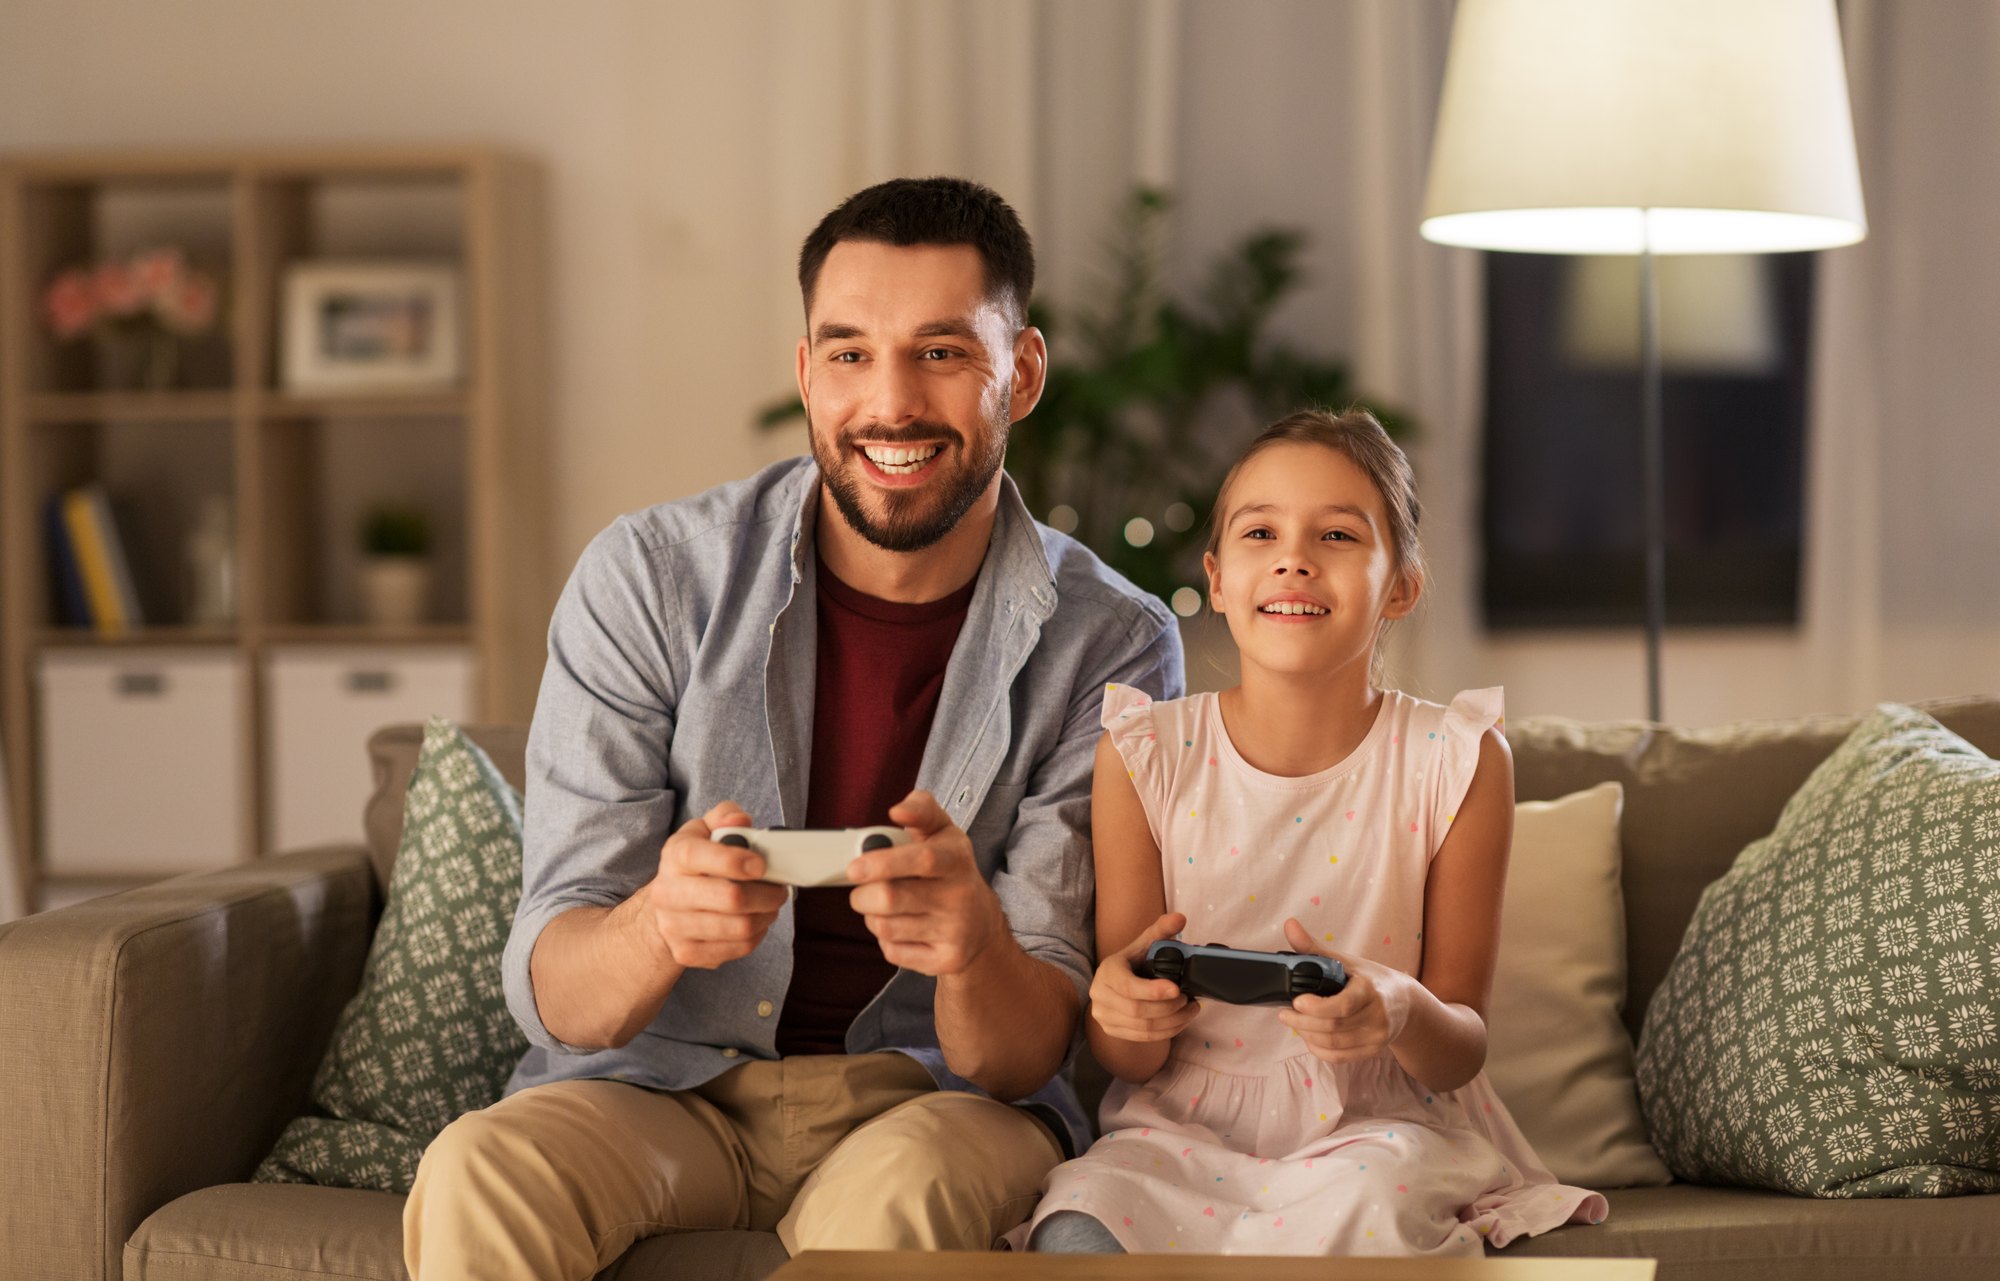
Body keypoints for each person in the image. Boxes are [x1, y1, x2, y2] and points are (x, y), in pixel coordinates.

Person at [402, 176, 1184, 1278]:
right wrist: (657, 926)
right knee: (480, 1169)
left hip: (932, 1097)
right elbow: (560, 988)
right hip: (657, 1087)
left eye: (943, 352)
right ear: (806, 370)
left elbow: (1021, 1053)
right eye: (850, 353)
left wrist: (971, 949)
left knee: (907, 1199)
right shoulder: (650, 577)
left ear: (1024, 373)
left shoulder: (1115, 641)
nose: (891, 403)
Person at [1017, 408, 1607, 1256]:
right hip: (1176, 1136)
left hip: (1378, 1130)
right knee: (1078, 1220)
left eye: (1336, 533)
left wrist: (1400, 1009)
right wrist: (1121, 1008)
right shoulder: (1143, 755)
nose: (1294, 557)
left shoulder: (1460, 759)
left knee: (1376, 1199)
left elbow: (1459, 1050)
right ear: (1217, 579)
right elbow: (1125, 1056)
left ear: (1400, 584)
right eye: (1262, 532)